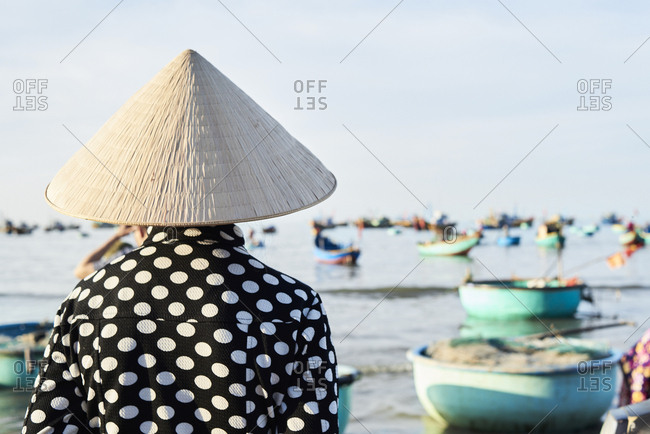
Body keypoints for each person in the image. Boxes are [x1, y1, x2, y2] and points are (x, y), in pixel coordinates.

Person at [24, 49, 339, 433]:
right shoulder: (295, 306)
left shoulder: (88, 302)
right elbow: (314, 427)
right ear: (243, 188)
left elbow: (48, 426)